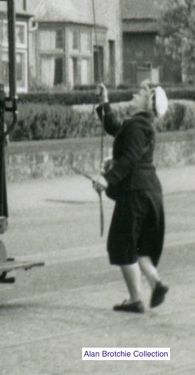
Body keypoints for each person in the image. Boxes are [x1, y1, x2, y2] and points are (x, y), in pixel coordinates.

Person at [92, 81, 169, 314]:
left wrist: (108, 178)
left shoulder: (137, 126)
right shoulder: (141, 125)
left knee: (121, 244)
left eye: (140, 93)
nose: (135, 95)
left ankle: (135, 299)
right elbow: (116, 127)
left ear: (148, 102)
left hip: (135, 194)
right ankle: (156, 283)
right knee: (140, 248)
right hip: (150, 192)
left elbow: (130, 159)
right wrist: (104, 102)